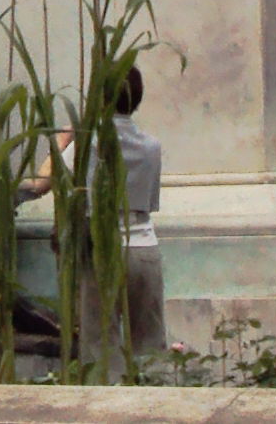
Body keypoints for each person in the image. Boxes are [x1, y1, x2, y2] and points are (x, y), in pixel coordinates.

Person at [21, 67, 166, 360]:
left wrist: (60, 144)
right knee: (151, 348)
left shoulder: (88, 143)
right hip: (145, 250)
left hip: (101, 249)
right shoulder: (152, 146)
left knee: (100, 349)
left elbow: (40, 185)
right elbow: (149, 203)